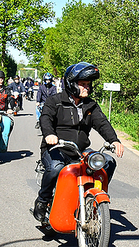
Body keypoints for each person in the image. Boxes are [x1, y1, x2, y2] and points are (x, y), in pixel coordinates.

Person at [33, 62, 124, 222]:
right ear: (71, 83)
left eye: (88, 85)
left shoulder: (91, 105)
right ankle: (42, 200)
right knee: (55, 168)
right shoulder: (55, 101)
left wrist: (114, 140)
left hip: (80, 151)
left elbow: (102, 123)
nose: (87, 88)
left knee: (107, 162)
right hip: (56, 148)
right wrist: (49, 134)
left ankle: (93, 197)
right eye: (83, 84)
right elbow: (45, 118)